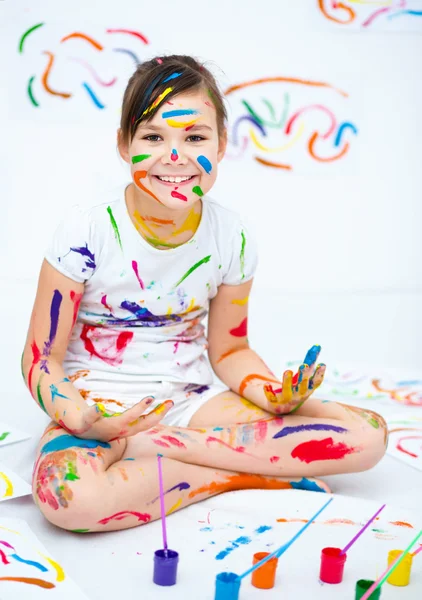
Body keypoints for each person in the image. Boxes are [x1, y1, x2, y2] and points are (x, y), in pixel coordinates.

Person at [22, 55, 387, 533]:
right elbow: (40, 359)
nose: (174, 156)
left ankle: (161, 449)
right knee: (69, 498)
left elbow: (231, 350)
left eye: (194, 137)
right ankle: (241, 475)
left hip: (192, 403)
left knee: (367, 436)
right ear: (123, 144)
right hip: (102, 406)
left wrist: (273, 394)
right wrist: (81, 418)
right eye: (153, 137)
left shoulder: (230, 235)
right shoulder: (86, 229)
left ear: (220, 147)